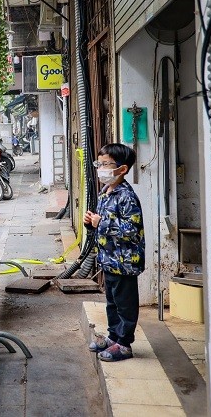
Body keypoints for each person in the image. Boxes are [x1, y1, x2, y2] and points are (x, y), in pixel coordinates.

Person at [83, 143, 144, 362]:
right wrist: (92, 223)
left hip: (125, 262)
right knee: (112, 302)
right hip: (109, 260)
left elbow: (132, 230)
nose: (100, 168)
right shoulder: (105, 192)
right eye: (98, 164)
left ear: (122, 169)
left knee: (125, 304)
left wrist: (103, 222)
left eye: (105, 164)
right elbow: (102, 224)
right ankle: (113, 337)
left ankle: (125, 344)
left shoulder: (126, 196)